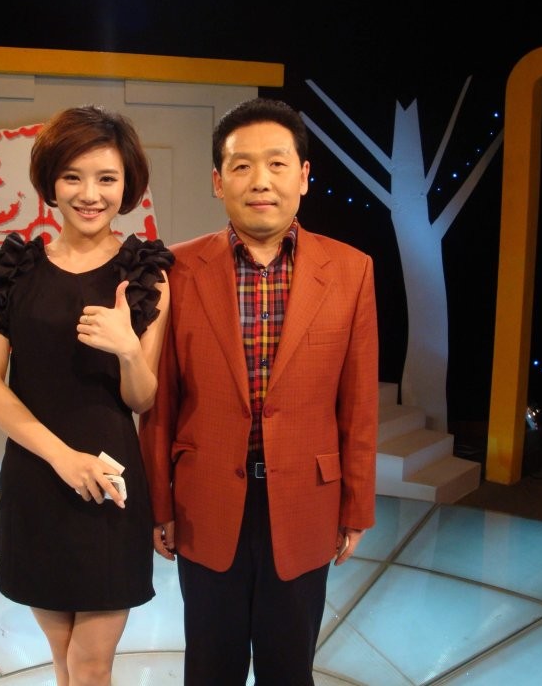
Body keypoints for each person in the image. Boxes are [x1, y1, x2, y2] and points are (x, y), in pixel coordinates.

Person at [139, 98, 378, 685]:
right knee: (209, 667)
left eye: (276, 163)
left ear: (304, 175)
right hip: (205, 501)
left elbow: (359, 403)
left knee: (289, 669)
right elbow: (162, 401)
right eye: (241, 166)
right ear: (218, 181)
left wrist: (355, 507)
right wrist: (158, 503)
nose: (260, 181)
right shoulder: (176, 269)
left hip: (306, 500)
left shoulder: (351, 270)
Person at [0, 105, 173, 686]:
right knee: (62, 658)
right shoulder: (16, 270)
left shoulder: (145, 274)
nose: (90, 194)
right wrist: (62, 458)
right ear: (51, 183)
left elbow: (142, 398)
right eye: (73, 177)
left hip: (110, 485)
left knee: (90, 664)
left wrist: (128, 349)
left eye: (107, 178)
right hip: (37, 478)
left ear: (128, 185)